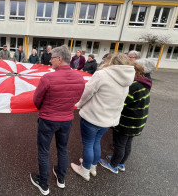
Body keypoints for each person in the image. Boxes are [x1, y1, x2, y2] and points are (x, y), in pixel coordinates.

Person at [30, 45, 85, 195]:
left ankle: (43, 184)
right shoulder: (80, 78)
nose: (50, 61)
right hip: (67, 120)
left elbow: (36, 100)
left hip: (48, 119)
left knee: (44, 151)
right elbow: (77, 98)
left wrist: (46, 108)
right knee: (62, 149)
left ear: (60, 59)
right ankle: (61, 179)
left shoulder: (48, 78)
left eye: (52, 58)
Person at [70, 53, 134, 182]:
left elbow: (87, 92)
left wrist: (79, 105)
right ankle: (92, 167)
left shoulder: (102, 74)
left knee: (88, 144)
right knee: (96, 142)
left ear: (112, 62)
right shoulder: (128, 79)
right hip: (108, 119)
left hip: (92, 116)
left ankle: (85, 170)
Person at [99, 63, 152, 174]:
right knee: (127, 143)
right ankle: (120, 163)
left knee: (120, 144)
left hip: (127, 122)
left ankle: (113, 165)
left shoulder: (134, 86)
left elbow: (122, 102)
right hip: (137, 122)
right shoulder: (144, 83)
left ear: (135, 72)